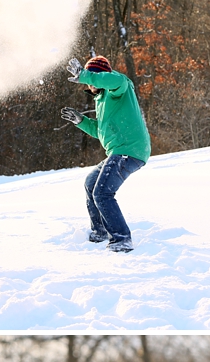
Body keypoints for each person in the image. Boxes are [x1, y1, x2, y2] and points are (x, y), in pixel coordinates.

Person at [60, 54, 151, 253]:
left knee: (102, 193)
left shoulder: (118, 87)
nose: (89, 83)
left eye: (93, 77)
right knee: (91, 183)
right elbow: (100, 131)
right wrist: (80, 121)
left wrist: (85, 74)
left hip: (129, 150)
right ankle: (100, 231)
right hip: (119, 151)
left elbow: (114, 79)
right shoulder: (101, 100)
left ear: (100, 75)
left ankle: (122, 239)